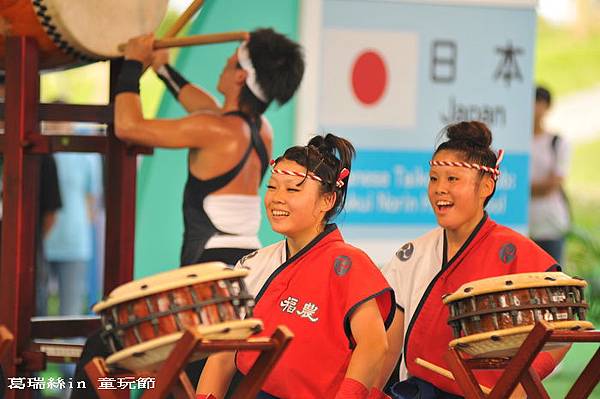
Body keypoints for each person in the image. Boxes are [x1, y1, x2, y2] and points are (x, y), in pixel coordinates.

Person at [196, 134, 395, 399]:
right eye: (272, 187)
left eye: (292, 189)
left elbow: (374, 346)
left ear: (327, 201)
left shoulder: (349, 264)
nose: (277, 198)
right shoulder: (253, 264)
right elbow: (223, 355)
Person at [379, 121, 568, 399]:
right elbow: (389, 347)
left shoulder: (517, 253)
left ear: (486, 186)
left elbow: (562, 329)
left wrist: (519, 380)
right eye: (434, 178)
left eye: (452, 179)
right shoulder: (411, 255)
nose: (440, 189)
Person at [114, 28, 304, 267]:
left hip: (210, 261)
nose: (226, 61)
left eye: (233, 59)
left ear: (240, 76)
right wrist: (162, 69)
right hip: (251, 259)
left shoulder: (215, 129)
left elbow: (127, 126)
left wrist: (132, 62)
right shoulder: (263, 130)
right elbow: (207, 108)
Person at [529, 86, 571, 263]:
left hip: (550, 224)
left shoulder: (557, 142)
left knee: (553, 282)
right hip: (525, 225)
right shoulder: (519, 143)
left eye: (539, 102)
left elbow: (553, 184)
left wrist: (525, 188)